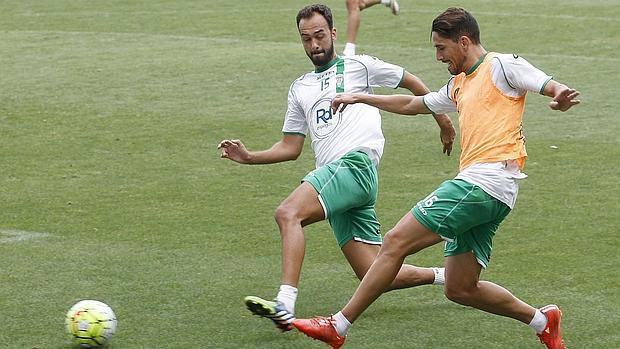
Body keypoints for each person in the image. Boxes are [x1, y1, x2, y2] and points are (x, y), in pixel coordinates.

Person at [293, 7, 579, 349]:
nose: (438, 56)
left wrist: (559, 95)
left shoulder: (502, 65)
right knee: (460, 288)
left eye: (441, 48)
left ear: (463, 42)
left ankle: (337, 326)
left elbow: (545, 83)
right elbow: (415, 104)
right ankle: (542, 320)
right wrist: (361, 96)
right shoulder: (458, 85)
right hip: (494, 192)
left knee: (396, 241)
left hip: (483, 183)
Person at [218, 4, 455, 333]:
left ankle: (285, 303)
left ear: (332, 33)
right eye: (306, 39)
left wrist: (443, 123)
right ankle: (444, 275)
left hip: (355, 166)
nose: (314, 45)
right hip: (339, 181)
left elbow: (411, 81)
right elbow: (290, 147)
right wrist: (249, 156)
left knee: (288, 213)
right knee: (372, 273)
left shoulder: (360, 66)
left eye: (319, 36)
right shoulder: (299, 88)